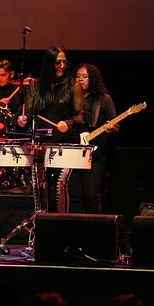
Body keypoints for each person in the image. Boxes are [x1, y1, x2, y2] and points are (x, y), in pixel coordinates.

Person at [17, 45, 86, 212]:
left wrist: (68, 124)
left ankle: (62, 225)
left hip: (65, 144)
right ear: (49, 64)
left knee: (61, 189)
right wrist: (22, 120)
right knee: (41, 192)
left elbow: (81, 119)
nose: (62, 66)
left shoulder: (73, 86)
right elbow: (29, 114)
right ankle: (41, 226)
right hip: (42, 146)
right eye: (58, 62)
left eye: (64, 62)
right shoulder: (35, 87)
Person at [67, 63, 118, 213]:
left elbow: (115, 124)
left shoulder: (104, 99)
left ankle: (96, 228)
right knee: (74, 194)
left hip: (95, 153)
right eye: (77, 76)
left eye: (84, 76)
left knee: (90, 193)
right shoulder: (71, 99)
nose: (80, 79)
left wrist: (111, 128)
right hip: (74, 151)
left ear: (93, 79)